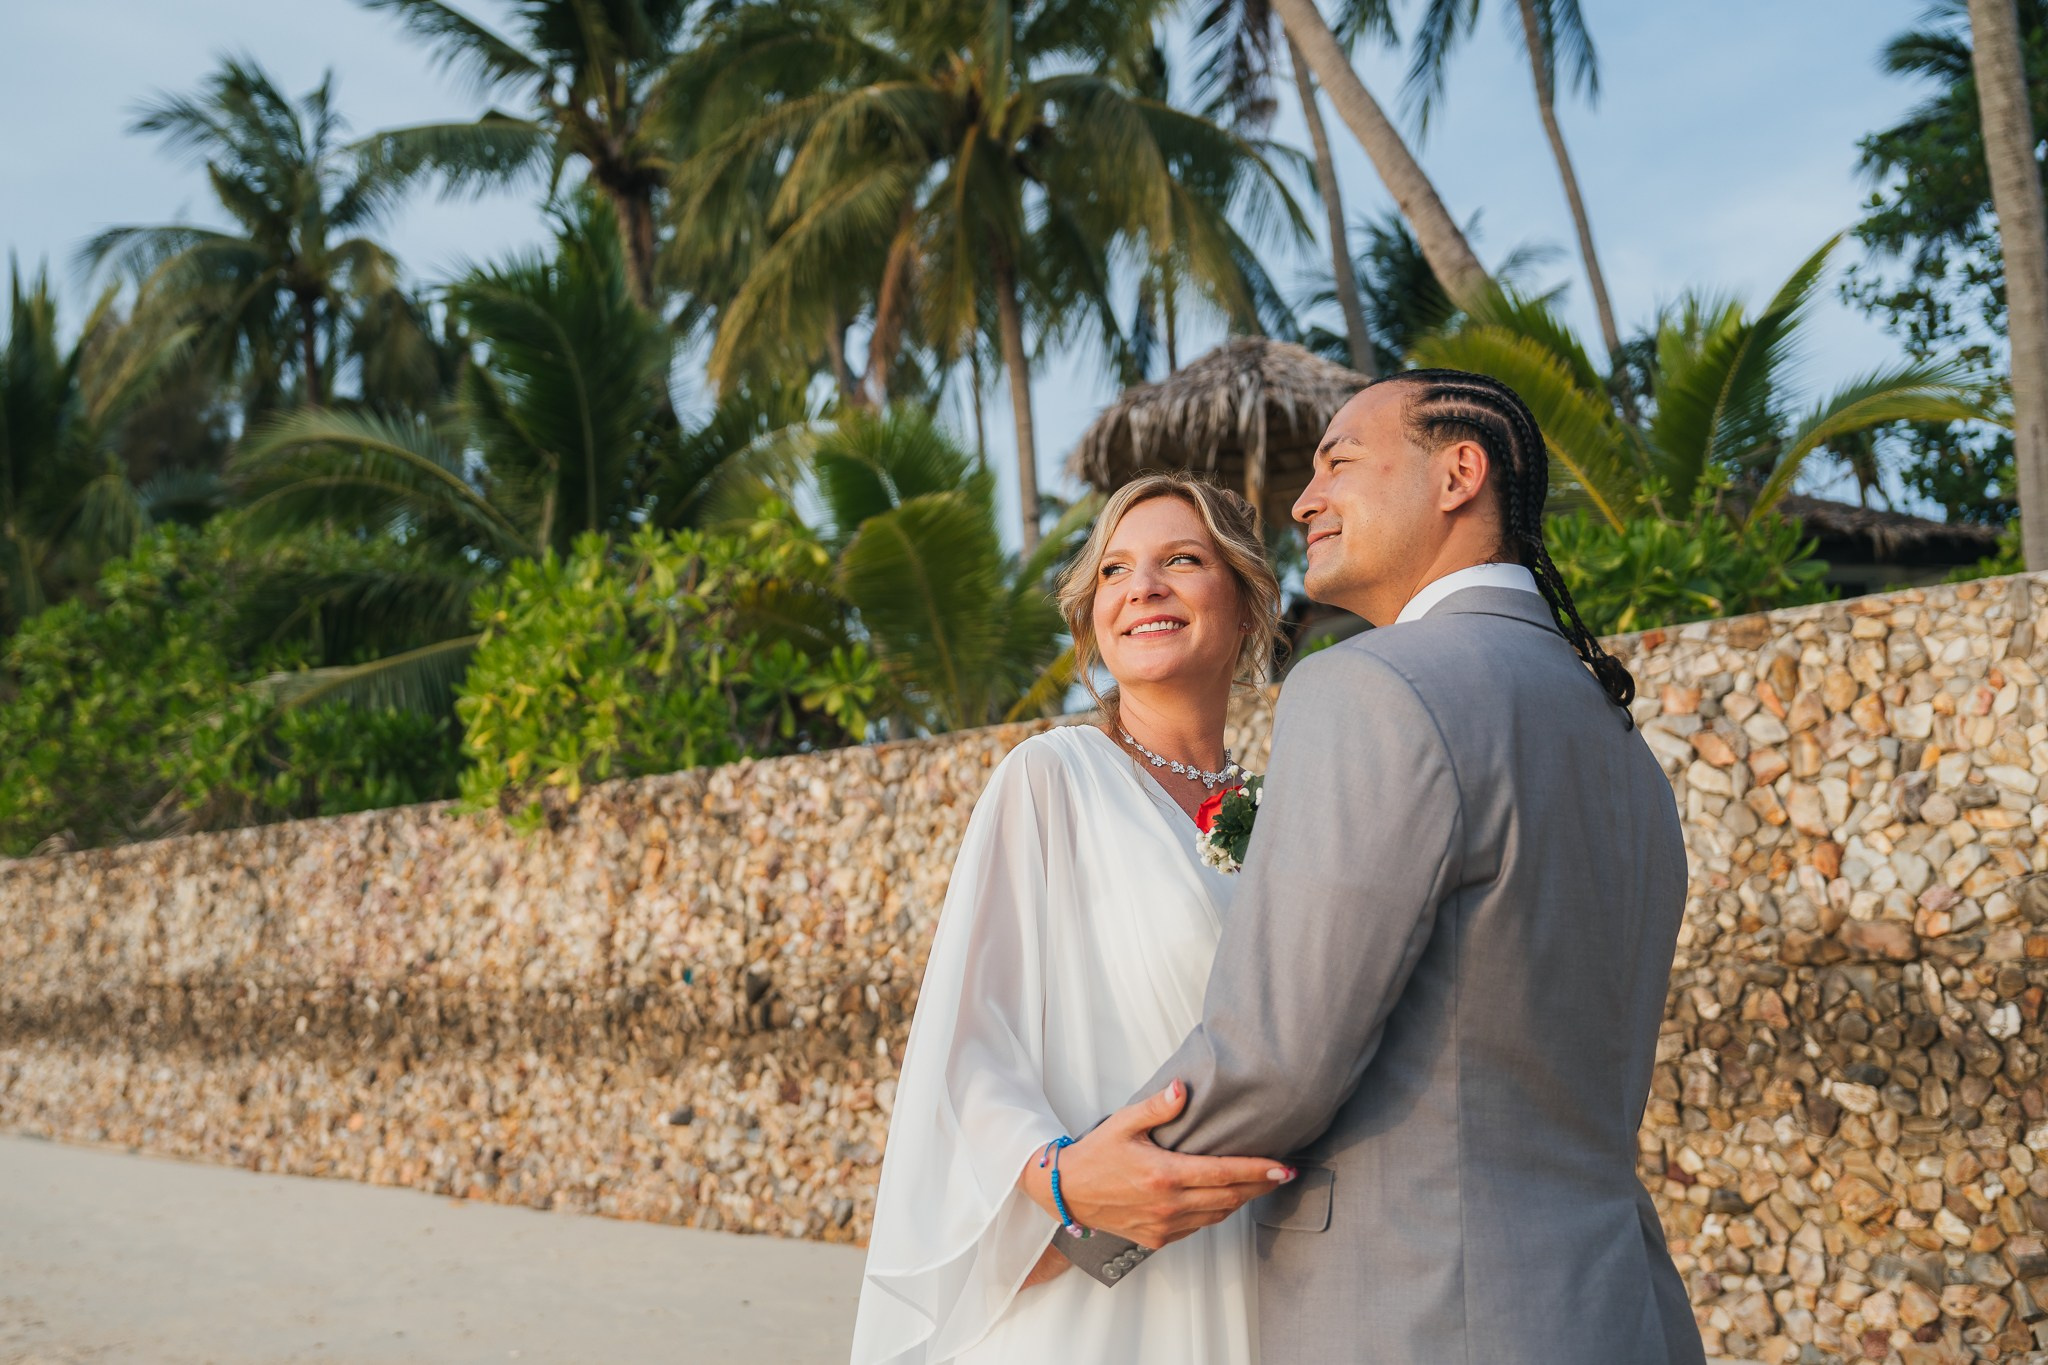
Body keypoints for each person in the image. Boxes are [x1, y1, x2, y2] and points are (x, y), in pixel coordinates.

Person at [1050, 370, 1707, 1364]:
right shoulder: (1619, 745)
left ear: (1457, 473)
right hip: (1619, 1311)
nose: (1304, 500)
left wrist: (1070, 1221)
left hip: (1421, 1312)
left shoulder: (1370, 685)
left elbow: (1274, 1057)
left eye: (1338, 462)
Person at [849, 472, 1295, 1365]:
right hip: (1090, 1266)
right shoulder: (1053, 777)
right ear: (1094, 618)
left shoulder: (1276, 810)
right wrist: (1057, 1178)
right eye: (1116, 572)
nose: (1144, 588)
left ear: (1245, 603)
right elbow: (970, 1040)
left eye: (1181, 560)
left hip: (1249, 1257)